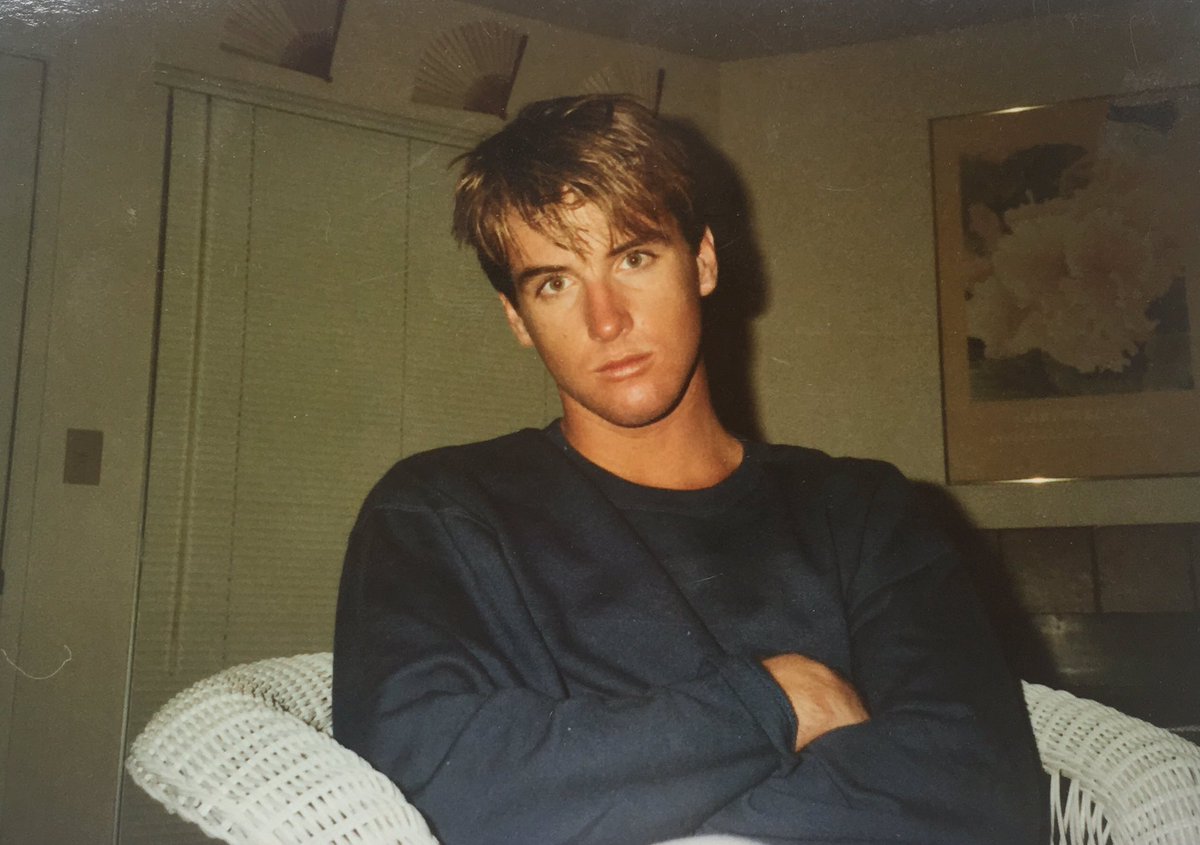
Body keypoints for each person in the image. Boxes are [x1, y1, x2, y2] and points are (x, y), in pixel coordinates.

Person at [332, 95, 1046, 845]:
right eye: (554, 282)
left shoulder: (863, 511)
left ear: (702, 261)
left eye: (633, 257)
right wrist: (774, 703)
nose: (606, 320)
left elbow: (983, 787)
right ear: (518, 318)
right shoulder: (443, 511)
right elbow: (420, 781)